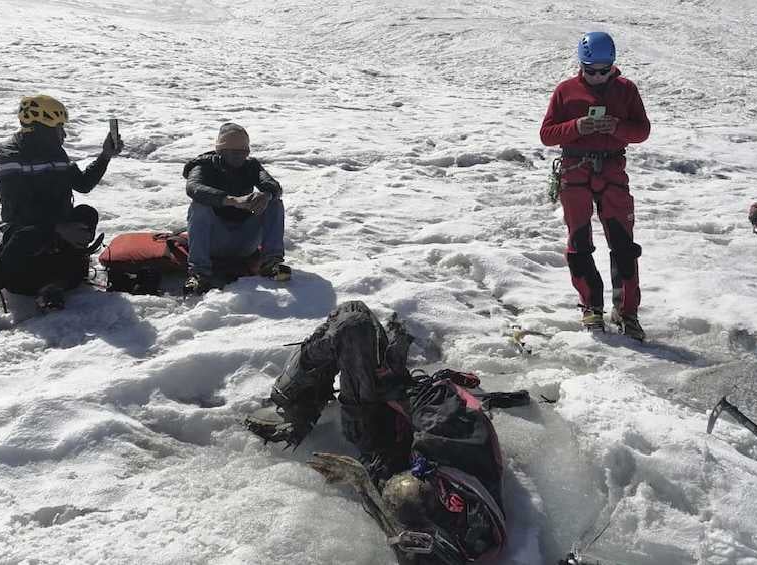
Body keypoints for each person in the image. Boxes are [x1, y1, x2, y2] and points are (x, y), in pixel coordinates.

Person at [244, 301, 511, 564]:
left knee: (353, 324)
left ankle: (294, 407)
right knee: (354, 315)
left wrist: (359, 479)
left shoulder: (435, 526)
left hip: (379, 436)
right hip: (405, 412)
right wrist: (395, 383)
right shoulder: (472, 523)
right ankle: (298, 400)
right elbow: (432, 408)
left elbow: (402, 537)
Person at [0, 94, 122, 330]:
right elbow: (20, 209)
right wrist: (58, 228)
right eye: (59, 128)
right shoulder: (10, 155)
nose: (63, 134)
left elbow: (82, 184)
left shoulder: (56, 153)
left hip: (57, 227)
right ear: (41, 129)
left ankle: (54, 283)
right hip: (26, 230)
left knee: (86, 213)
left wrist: (105, 156)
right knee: (29, 233)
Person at [540, 31, 651, 340]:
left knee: (624, 246)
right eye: (591, 70)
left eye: (605, 70)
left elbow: (642, 131)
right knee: (579, 243)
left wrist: (618, 127)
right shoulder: (566, 91)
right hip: (575, 173)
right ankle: (591, 307)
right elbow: (547, 134)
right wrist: (577, 127)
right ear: (582, 65)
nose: (599, 76)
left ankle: (627, 312)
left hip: (613, 172)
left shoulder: (626, 90)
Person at [182, 123, 290, 294]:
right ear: (221, 152)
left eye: (243, 153)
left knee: (274, 202)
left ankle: (272, 263)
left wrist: (266, 195)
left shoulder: (251, 166)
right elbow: (194, 188)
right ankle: (199, 273)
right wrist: (231, 201)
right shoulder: (203, 166)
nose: (240, 158)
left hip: (245, 240)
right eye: (234, 153)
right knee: (199, 205)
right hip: (214, 241)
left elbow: (273, 186)